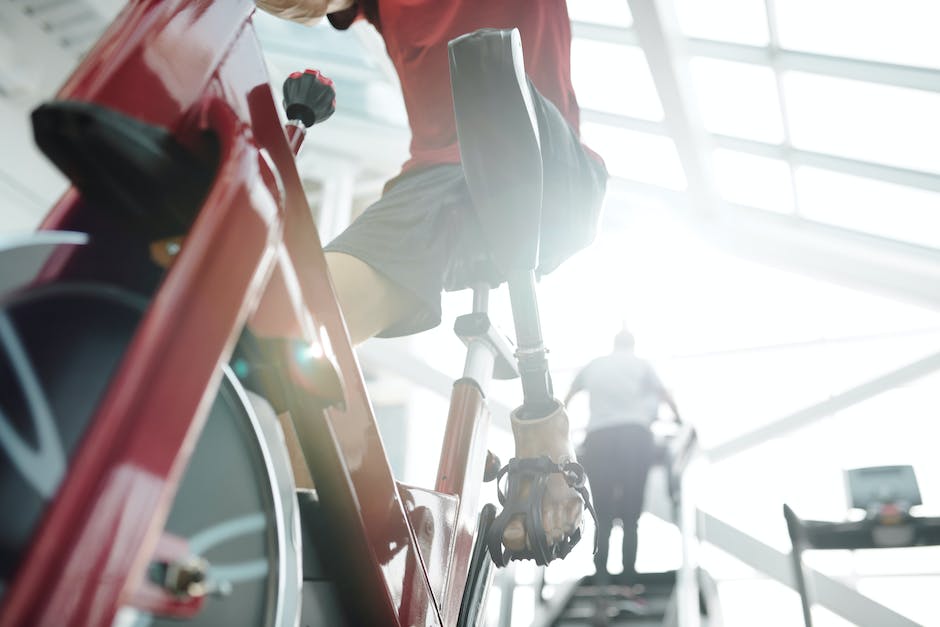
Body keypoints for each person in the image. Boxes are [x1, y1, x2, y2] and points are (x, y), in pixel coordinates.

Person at [255, 0, 608, 559]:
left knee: (492, 78)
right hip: (435, 183)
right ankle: (317, 540)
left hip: (541, 161)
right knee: (279, 335)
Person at [564, 328, 680, 580]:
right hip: (635, 437)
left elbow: (571, 394)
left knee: (603, 513)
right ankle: (628, 575)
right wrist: (678, 420)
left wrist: (561, 426)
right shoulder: (641, 365)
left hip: (599, 438)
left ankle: (601, 575)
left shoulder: (596, 365)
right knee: (631, 514)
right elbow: (663, 394)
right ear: (633, 344)